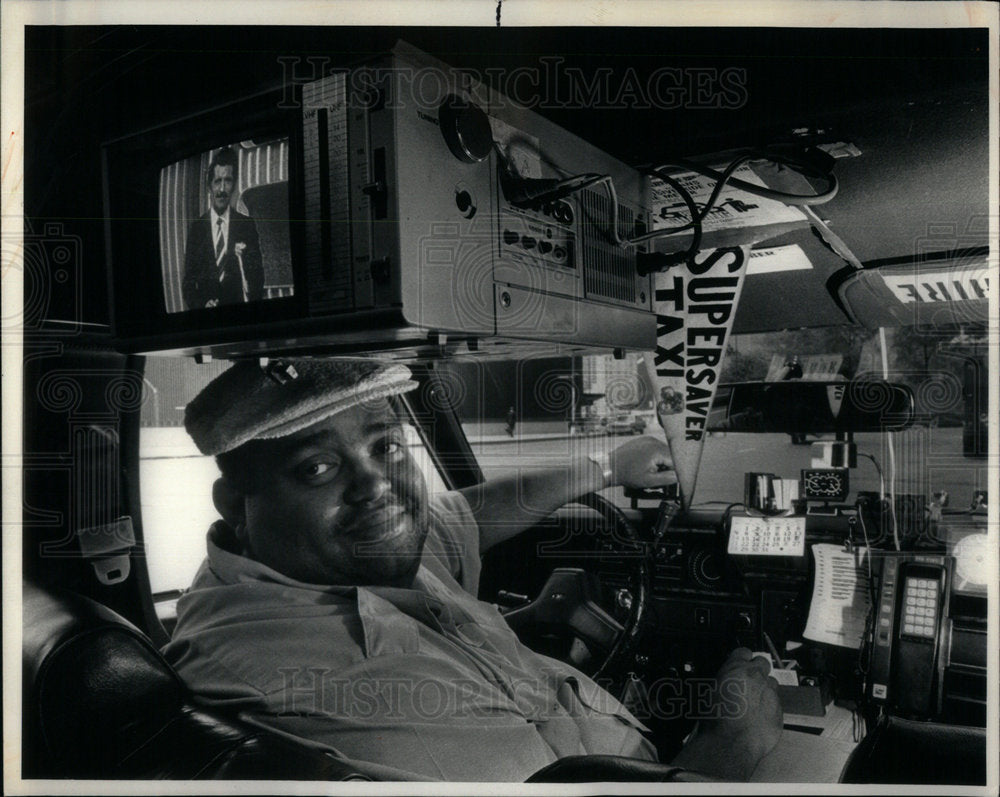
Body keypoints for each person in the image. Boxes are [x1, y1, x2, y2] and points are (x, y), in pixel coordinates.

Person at [164, 358, 782, 782]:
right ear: (235, 509)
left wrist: (605, 466)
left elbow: (465, 512)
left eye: (387, 446)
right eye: (317, 468)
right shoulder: (338, 688)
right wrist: (737, 737)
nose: (377, 486)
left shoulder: (323, 560)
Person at [181, 147, 264, 310]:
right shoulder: (196, 229)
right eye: (218, 181)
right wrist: (202, 305)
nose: (222, 189)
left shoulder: (246, 224)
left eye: (228, 181)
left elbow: (257, 275)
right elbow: (188, 282)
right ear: (210, 186)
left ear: (233, 185)